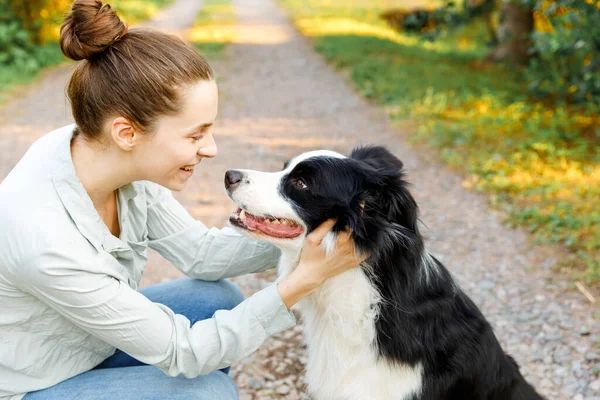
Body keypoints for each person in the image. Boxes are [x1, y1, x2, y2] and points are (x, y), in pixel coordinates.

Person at [0, 1, 365, 399]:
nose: (210, 149)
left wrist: (307, 228)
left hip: (87, 342)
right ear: (127, 133)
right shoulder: (43, 238)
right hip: (34, 382)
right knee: (205, 392)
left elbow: (202, 255)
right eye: (195, 135)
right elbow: (184, 353)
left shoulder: (102, 152)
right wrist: (303, 279)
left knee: (215, 299)